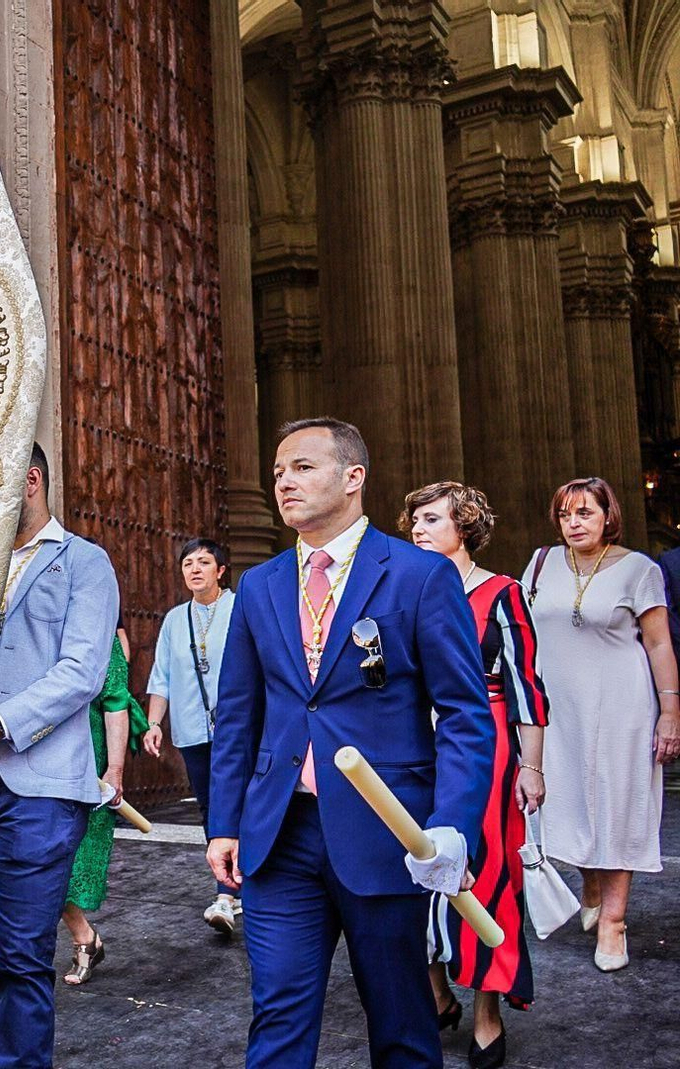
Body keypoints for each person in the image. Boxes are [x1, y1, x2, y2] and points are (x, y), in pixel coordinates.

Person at [206, 418, 495, 1069]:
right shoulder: (260, 585)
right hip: (280, 836)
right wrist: (224, 822)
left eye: (303, 466)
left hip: (385, 834)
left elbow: (464, 714)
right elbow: (238, 715)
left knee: (400, 1024)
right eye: (278, 470)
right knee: (277, 1014)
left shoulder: (419, 575)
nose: (285, 480)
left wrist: (451, 825)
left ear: (353, 476)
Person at [0, 442, 120, 1069]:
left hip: (41, 787)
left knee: (19, 950)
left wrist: (0, 723)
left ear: (31, 480)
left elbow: (83, 672)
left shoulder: (85, 563)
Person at [402, 482, 549, 1068]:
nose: (418, 529)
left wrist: (530, 765)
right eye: (414, 520)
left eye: (432, 519)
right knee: (412, 870)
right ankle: (437, 990)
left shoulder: (501, 593)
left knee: (480, 874)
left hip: (483, 746)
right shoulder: (402, 590)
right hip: (414, 744)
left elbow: (527, 687)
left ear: (465, 526)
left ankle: (487, 1010)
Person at [525, 477, 680, 972]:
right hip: (558, 708)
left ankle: (613, 921)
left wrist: (671, 712)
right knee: (567, 803)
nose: (574, 523)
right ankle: (590, 880)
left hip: (622, 707)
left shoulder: (639, 569)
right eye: (566, 514)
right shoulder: (541, 562)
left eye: (585, 513)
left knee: (616, 806)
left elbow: (658, 644)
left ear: (607, 516)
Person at [145, 538, 242, 933]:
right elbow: (161, 676)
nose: (195, 569)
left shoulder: (240, 608)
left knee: (244, 803)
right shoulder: (174, 619)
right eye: (188, 563)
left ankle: (236, 887)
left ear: (221, 570)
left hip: (238, 726)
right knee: (210, 806)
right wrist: (154, 723)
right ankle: (227, 888)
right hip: (191, 728)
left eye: (204, 562)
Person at [60, 631, 148, 984]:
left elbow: (115, 702)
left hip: (85, 760)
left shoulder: (100, 634)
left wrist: (114, 769)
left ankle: (84, 938)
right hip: (24, 754)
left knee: (68, 860)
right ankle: (84, 938)